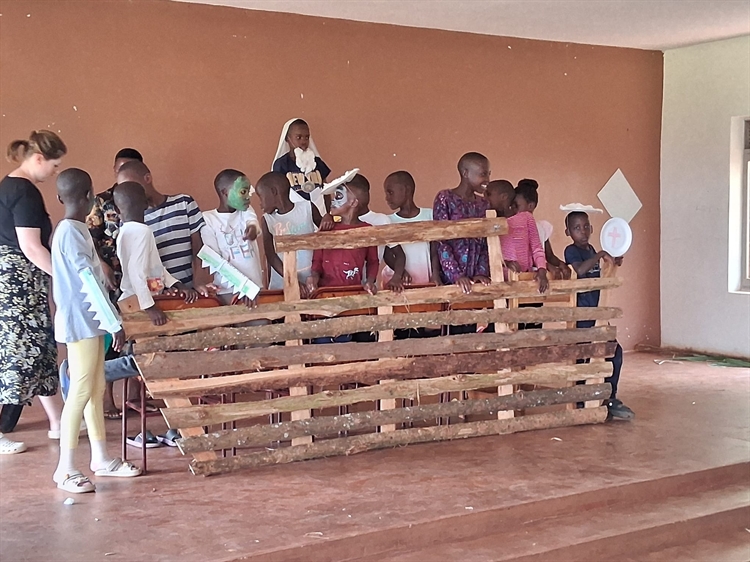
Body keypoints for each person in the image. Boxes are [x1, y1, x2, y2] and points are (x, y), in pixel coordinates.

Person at [51, 169, 141, 492]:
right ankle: (64, 469)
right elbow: (87, 281)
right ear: (91, 196)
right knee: (81, 389)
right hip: (83, 323)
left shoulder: (76, 229)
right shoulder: (70, 232)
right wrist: (113, 322)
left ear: (59, 198)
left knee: (95, 387)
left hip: (92, 322)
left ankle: (100, 458)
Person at [0, 130, 66, 454]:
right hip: (18, 285)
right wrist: (65, 276)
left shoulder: (11, 186)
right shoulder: (23, 191)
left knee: (38, 351)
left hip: (22, 282)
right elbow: (31, 247)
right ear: (39, 159)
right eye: (54, 166)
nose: (54, 172)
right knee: (16, 354)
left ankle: (58, 422)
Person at [86, 147, 143, 419]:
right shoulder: (101, 202)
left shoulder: (142, 199)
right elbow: (89, 238)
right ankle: (108, 399)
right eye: (120, 168)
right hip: (111, 280)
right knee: (113, 338)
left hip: (136, 281)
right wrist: (103, 266)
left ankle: (135, 396)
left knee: (138, 335)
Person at [564, 211, 634, 421]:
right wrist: (601, 254)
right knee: (583, 356)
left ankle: (609, 396)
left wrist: (612, 262)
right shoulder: (572, 251)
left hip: (598, 314)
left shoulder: (592, 250)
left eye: (586, 226)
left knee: (614, 352)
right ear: (568, 232)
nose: (583, 231)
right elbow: (580, 270)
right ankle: (581, 398)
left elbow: (600, 274)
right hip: (583, 316)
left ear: (592, 228)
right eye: (577, 228)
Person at [306, 174, 379, 343]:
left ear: (353, 202)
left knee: (359, 344)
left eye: (339, 196)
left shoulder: (367, 230)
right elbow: (317, 262)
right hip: (326, 298)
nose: (333, 200)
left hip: (355, 297)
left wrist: (370, 281)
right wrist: (313, 277)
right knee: (326, 344)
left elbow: (373, 261)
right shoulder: (326, 230)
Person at [116, 161, 210, 292]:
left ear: (147, 178)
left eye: (132, 186)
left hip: (190, 292)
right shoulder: (131, 223)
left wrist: (198, 282)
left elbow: (198, 250)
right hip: (159, 295)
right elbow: (140, 268)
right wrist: (162, 289)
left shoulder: (184, 203)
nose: (129, 193)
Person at [114, 181, 199, 325]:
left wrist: (178, 285)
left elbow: (155, 267)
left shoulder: (124, 232)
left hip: (139, 299)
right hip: (139, 303)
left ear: (117, 210)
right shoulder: (142, 231)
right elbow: (136, 273)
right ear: (146, 204)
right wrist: (150, 308)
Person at [256, 171, 330, 296]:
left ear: (274, 192)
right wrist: (292, 279)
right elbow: (271, 256)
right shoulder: (267, 220)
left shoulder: (307, 208)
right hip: (283, 283)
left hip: (311, 282)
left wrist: (328, 217)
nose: (260, 203)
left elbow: (325, 233)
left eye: (261, 197)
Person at [433, 152, 492, 297]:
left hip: (476, 280)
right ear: (465, 173)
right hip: (450, 280)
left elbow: (485, 243)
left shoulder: (483, 204)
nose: (487, 180)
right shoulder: (445, 198)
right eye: (483, 174)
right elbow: (441, 242)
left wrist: (481, 273)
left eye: (488, 174)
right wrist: (456, 275)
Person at [201, 169, 263, 305]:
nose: (248, 197)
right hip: (228, 290)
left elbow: (252, 222)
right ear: (225, 192)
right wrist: (245, 288)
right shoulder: (208, 219)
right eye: (243, 192)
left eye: (248, 192)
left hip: (255, 288)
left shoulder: (246, 210)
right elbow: (214, 260)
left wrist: (253, 229)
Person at [484, 180, 548, 293]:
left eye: (488, 194)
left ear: (503, 197)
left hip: (525, 280)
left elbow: (537, 248)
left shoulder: (526, 218)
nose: (484, 197)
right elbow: (486, 253)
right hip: (500, 283)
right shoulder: (489, 221)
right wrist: (506, 263)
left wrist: (542, 271)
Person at [271, 118, 331, 217]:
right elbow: (279, 194)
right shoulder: (281, 164)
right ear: (287, 139)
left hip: (320, 214)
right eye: (298, 137)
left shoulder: (317, 162)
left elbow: (326, 190)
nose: (303, 141)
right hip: (295, 217)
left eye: (306, 137)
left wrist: (328, 213)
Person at [515, 179, 570, 279]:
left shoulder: (541, 227)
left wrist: (562, 265)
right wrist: (548, 266)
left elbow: (549, 256)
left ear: (530, 206)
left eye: (517, 206)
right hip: (525, 276)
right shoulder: (515, 229)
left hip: (540, 277)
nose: (513, 209)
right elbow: (529, 258)